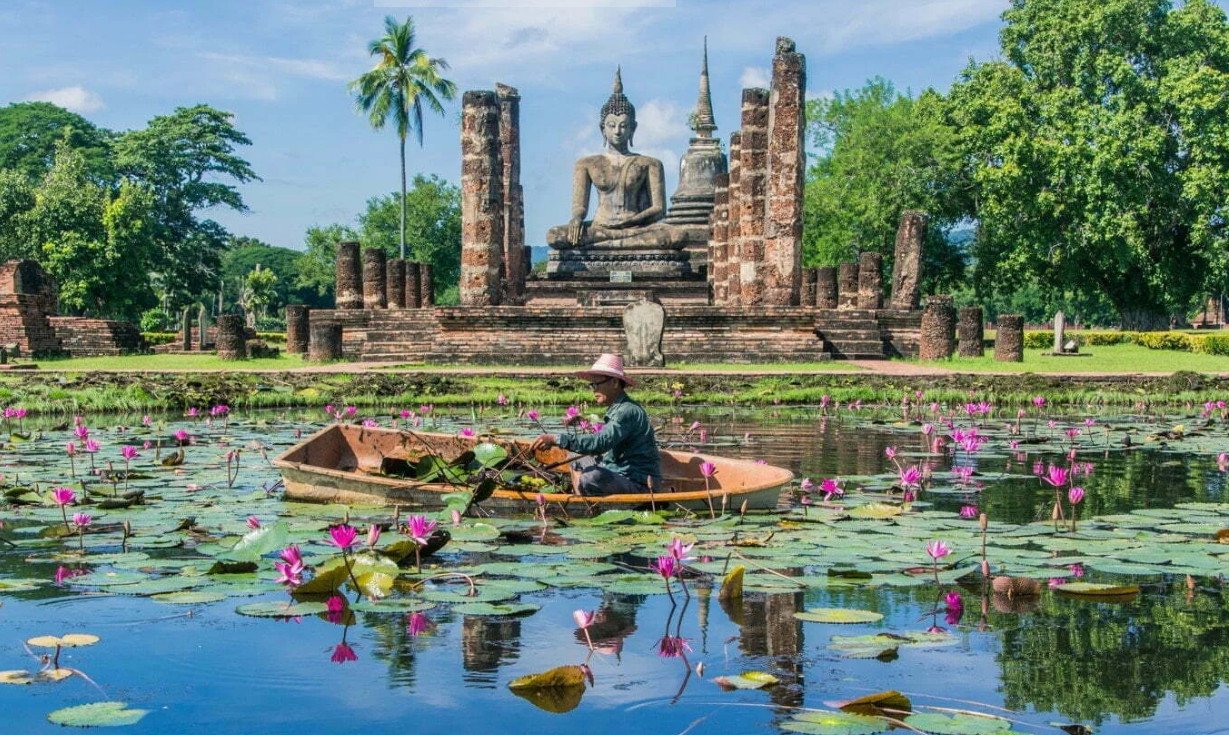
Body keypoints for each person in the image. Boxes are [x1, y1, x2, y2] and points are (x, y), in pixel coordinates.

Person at [532, 354, 661, 496]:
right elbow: (610, 433)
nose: (593, 389)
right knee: (576, 457)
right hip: (618, 471)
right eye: (591, 385)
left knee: (591, 477)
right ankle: (581, 500)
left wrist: (556, 439)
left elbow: (601, 442)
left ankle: (586, 502)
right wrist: (583, 421)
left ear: (615, 383)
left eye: (597, 384)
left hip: (637, 482)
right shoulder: (620, 408)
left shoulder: (627, 411)